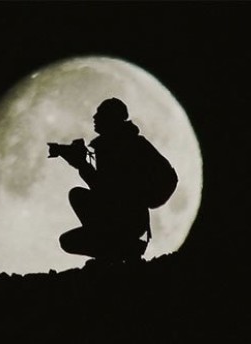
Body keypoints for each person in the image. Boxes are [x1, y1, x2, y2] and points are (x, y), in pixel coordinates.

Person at [51, 98, 175, 265]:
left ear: (111, 118)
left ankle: (118, 251)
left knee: (77, 197)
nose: (94, 117)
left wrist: (82, 165)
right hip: (123, 218)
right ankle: (118, 250)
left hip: (129, 218)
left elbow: (107, 191)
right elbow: (105, 191)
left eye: (100, 113)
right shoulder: (111, 146)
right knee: (69, 240)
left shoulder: (127, 146)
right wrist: (82, 165)